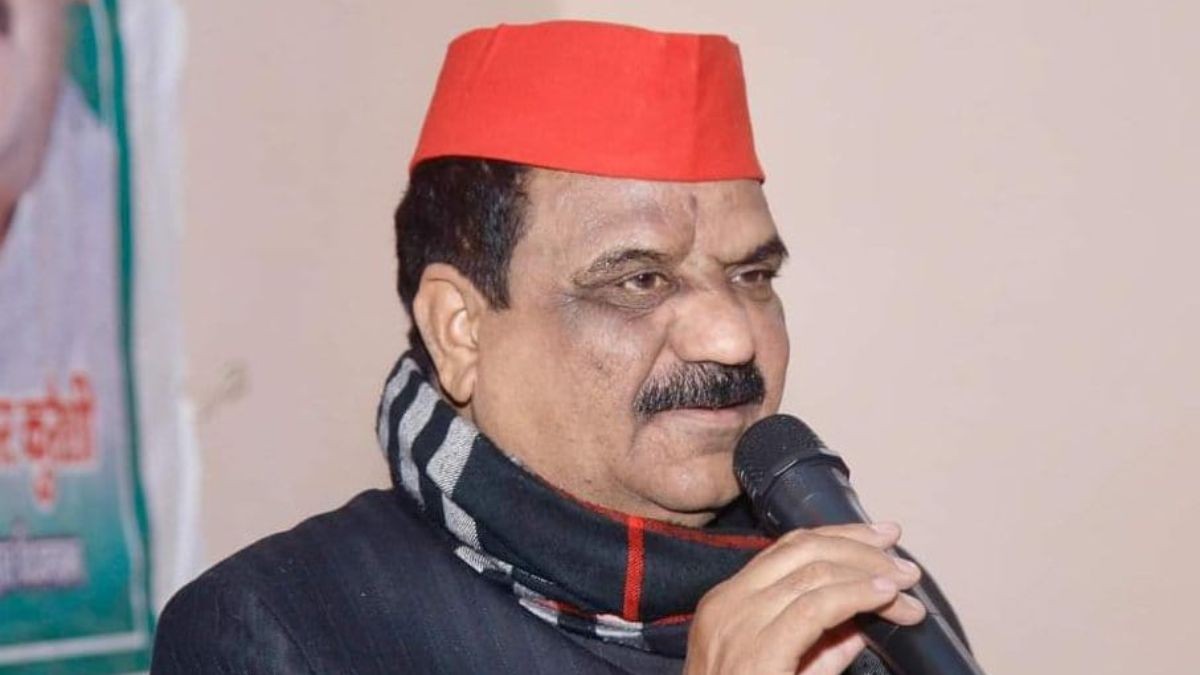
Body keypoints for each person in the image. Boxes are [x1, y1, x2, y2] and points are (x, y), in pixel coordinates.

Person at [152, 21, 969, 674]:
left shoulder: (866, 594)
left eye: (752, 275)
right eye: (639, 280)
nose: (729, 337)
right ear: (460, 328)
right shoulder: (284, 629)